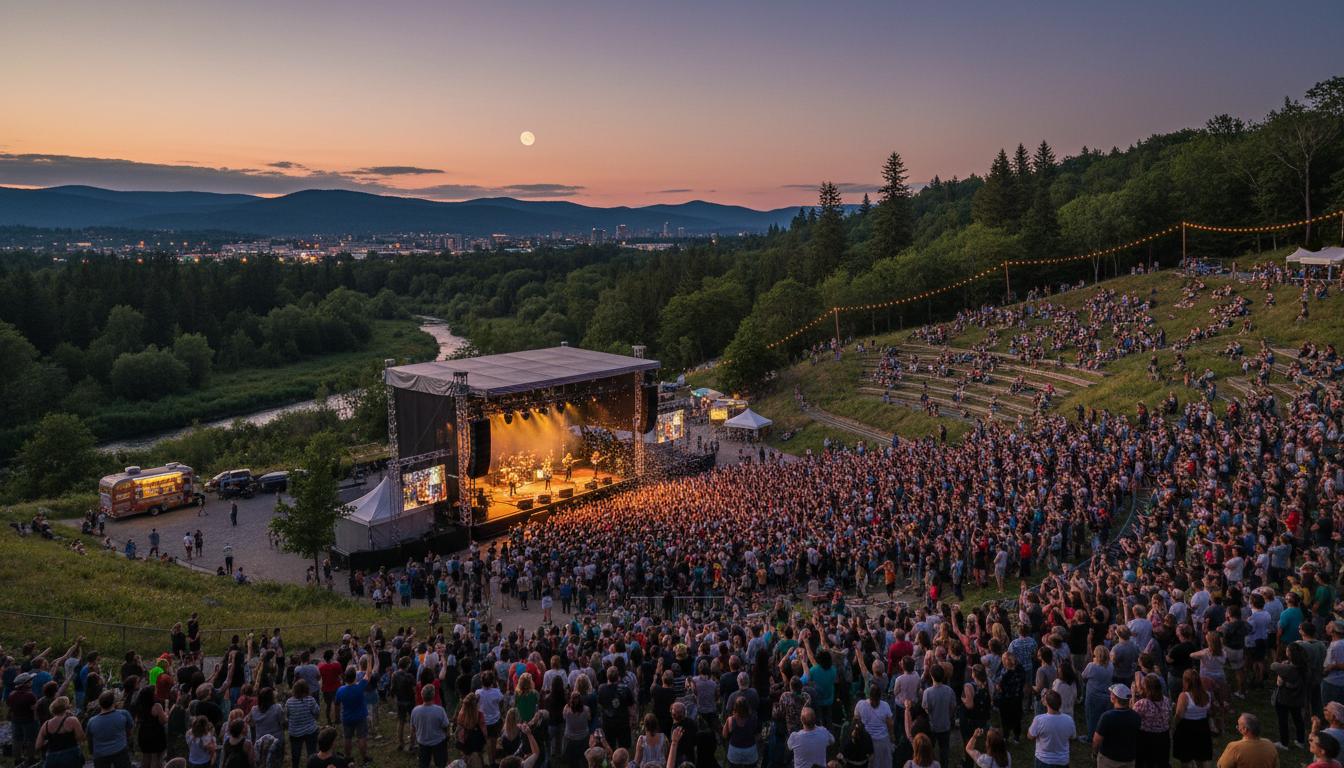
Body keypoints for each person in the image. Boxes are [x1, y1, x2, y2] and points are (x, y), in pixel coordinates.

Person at [334, 652, 379, 767]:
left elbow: (337, 705)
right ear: (355, 677)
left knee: (347, 738)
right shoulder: (360, 687)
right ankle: (364, 757)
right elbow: (368, 674)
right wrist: (369, 660)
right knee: (361, 737)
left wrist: (337, 717)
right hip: (360, 717)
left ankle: (348, 757)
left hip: (347, 718)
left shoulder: (340, 690)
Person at [1092, 684, 1140, 768]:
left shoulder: (1107, 717)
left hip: (1109, 760)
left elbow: (1097, 740)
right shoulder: (1136, 716)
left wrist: (1094, 753)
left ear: (1114, 698)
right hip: (1128, 760)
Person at [87, 689, 135, 768]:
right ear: (114, 702)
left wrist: (92, 751)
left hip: (100, 754)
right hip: (120, 751)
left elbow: (90, 739)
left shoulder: (92, 721)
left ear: (100, 703)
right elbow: (130, 728)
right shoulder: (123, 714)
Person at [1130, 674, 1171, 768]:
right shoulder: (1166, 700)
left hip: (1146, 738)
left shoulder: (1143, 704)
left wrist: (1133, 696)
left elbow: (1132, 717)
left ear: (1146, 688)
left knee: (1145, 762)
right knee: (1161, 762)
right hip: (1163, 737)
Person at [35, 696, 86, 768]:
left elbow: (38, 746)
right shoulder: (72, 720)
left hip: (52, 757)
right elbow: (81, 737)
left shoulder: (46, 725)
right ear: (66, 707)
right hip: (71, 755)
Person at [1028, 690, 1074, 768]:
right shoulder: (1069, 719)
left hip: (1043, 761)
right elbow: (1072, 736)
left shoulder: (1039, 720)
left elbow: (1030, 736)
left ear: (1047, 703)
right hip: (1062, 761)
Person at [855, 683, 895, 768]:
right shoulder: (884, 705)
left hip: (877, 740)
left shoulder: (861, 704)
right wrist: (892, 737)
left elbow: (856, 720)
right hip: (870, 741)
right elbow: (890, 724)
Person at [411, 685, 451, 768]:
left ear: (422, 695)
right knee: (441, 764)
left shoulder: (415, 710)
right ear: (433, 695)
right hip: (438, 742)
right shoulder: (439, 710)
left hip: (422, 742)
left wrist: (412, 742)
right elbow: (446, 726)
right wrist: (447, 736)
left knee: (423, 764)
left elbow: (413, 729)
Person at [285, 679, 321, 768]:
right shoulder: (310, 700)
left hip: (295, 732)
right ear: (306, 689)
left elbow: (287, 715)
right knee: (312, 753)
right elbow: (317, 712)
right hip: (311, 730)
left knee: (295, 754)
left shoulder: (289, 702)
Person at [135, 684, 170, 768]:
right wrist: (167, 714)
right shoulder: (156, 706)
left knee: (145, 757)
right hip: (155, 734)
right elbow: (163, 721)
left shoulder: (140, 706)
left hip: (143, 732)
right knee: (156, 758)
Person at [722, 696, 759, 768]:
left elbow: (724, 735)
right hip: (750, 752)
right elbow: (757, 735)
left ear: (735, 707)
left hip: (735, 753)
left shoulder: (730, 720)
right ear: (747, 707)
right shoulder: (754, 718)